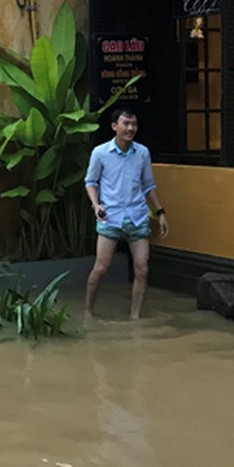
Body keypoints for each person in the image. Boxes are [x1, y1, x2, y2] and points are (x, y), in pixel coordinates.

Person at [84, 109, 169, 320]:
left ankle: (135, 317)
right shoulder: (100, 153)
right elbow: (91, 182)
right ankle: (88, 312)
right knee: (101, 268)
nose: (131, 128)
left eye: (134, 124)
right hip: (109, 217)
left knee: (142, 269)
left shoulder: (142, 153)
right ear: (115, 126)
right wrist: (96, 205)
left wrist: (160, 212)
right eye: (126, 124)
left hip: (137, 216)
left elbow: (148, 186)